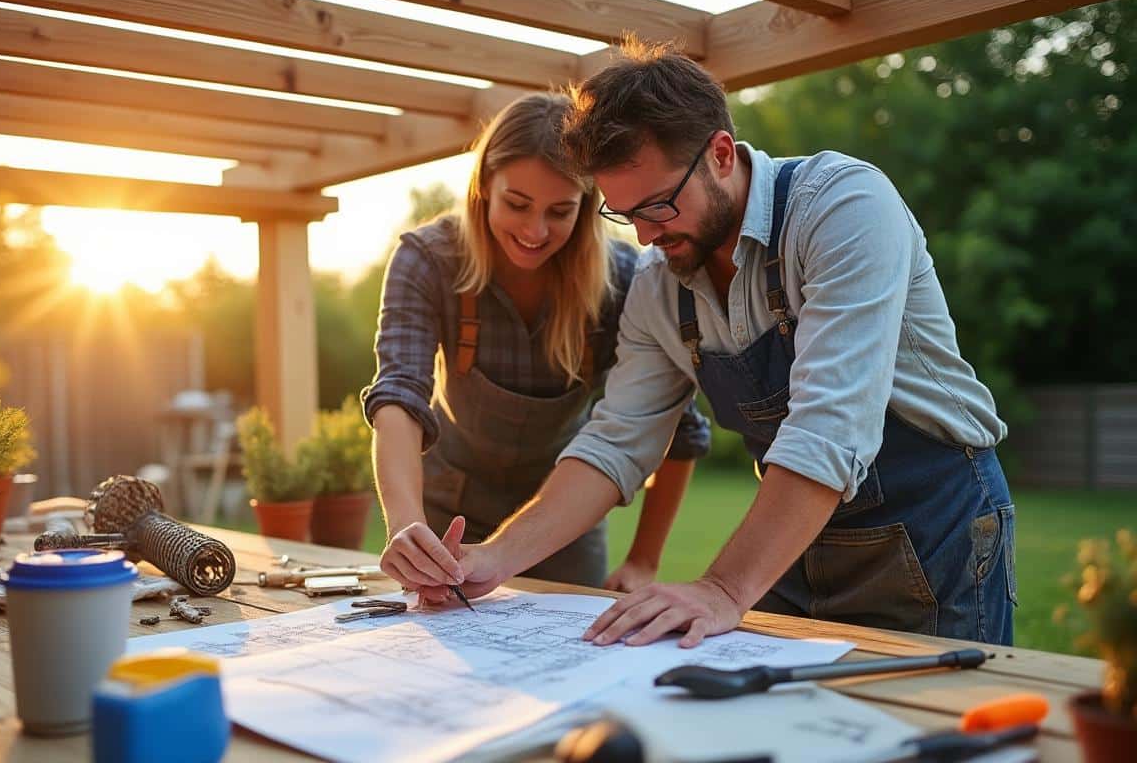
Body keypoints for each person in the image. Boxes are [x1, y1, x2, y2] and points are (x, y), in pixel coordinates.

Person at [432, 42, 1017, 646]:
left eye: (659, 204)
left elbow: (829, 425)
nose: (645, 234)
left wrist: (725, 589)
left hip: (936, 532)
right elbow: (615, 442)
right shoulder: (658, 288)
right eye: (624, 212)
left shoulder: (843, 207)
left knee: (940, 730)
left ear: (718, 153)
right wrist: (497, 558)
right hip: (791, 545)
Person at [362, 92, 711, 597]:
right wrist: (404, 525)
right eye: (517, 204)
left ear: (588, 206)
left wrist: (643, 560)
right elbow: (398, 396)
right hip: (444, 510)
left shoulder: (625, 279)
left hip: (564, 521)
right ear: (485, 186)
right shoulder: (427, 260)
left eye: (560, 211)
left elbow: (678, 427)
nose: (534, 230)